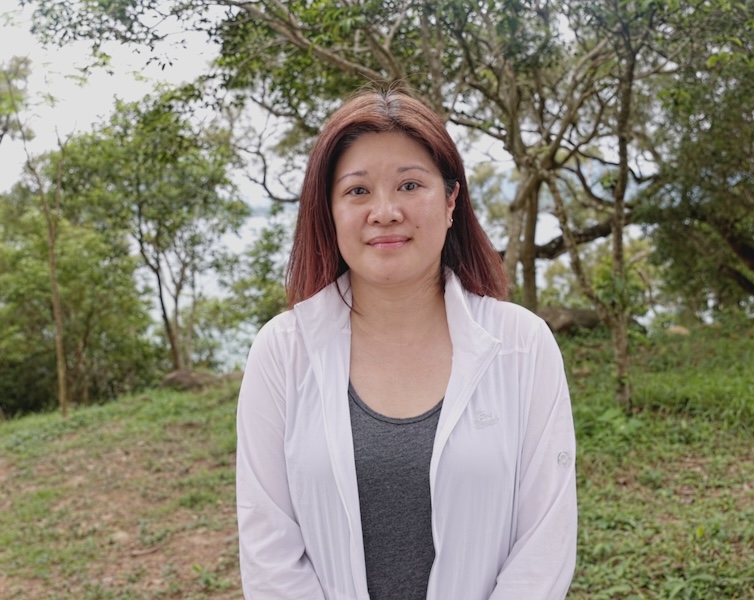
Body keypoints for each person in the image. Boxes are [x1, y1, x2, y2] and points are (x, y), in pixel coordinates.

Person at [236, 88, 577, 600]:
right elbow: (269, 551)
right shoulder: (282, 352)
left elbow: (544, 546)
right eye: (357, 191)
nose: (385, 211)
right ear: (329, 211)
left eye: (410, 185)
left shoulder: (523, 346)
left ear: (451, 200)